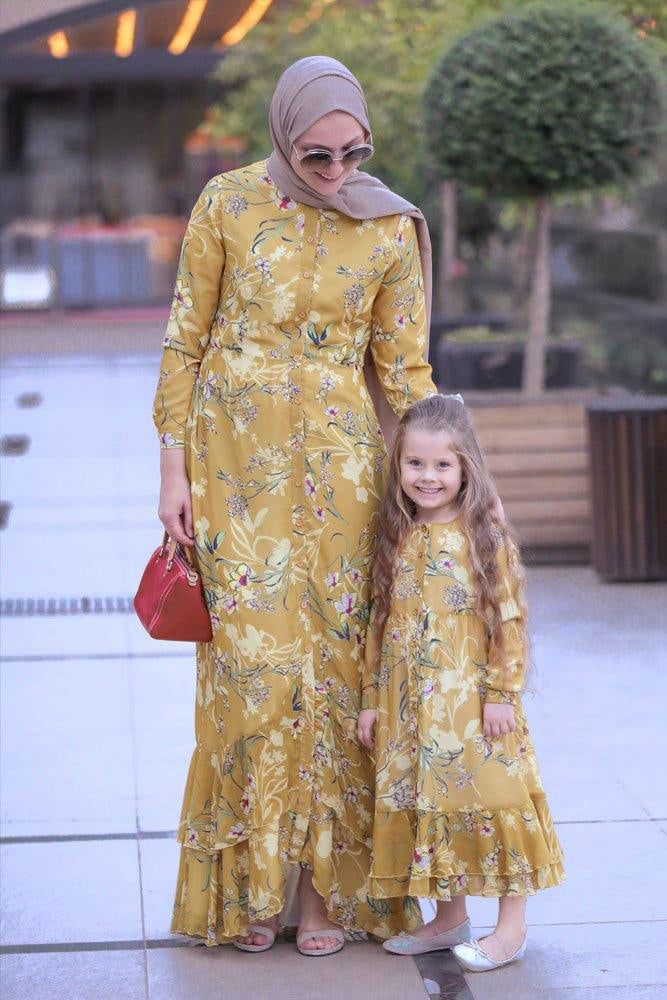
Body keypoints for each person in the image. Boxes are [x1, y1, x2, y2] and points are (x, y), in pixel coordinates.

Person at [152, 56, 438, 954]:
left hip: (347, 483)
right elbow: (183, 341)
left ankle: (321, 895)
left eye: (353, 153)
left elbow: (405, 371)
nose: (336, 171)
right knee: (251, 683)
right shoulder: (227, 204)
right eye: (317, 156)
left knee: (340, 684)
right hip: (234, 477)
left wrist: (444, 477)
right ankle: (249, 888)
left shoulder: (387, 226)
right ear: (283, 136)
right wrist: (172, 474)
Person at [357, 394, 565, 972]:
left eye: (442, 465)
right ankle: (449, 918)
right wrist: (373, 702)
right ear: (398, 467)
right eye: (415, 464)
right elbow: (379, 621)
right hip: (409, 711)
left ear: (466, 467)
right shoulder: (396, 534)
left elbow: (509, 619)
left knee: (493, 800)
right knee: (431, 803)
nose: (428, 477)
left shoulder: (484, 537)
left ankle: (511, 928)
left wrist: (501, 692)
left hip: (472, 704)